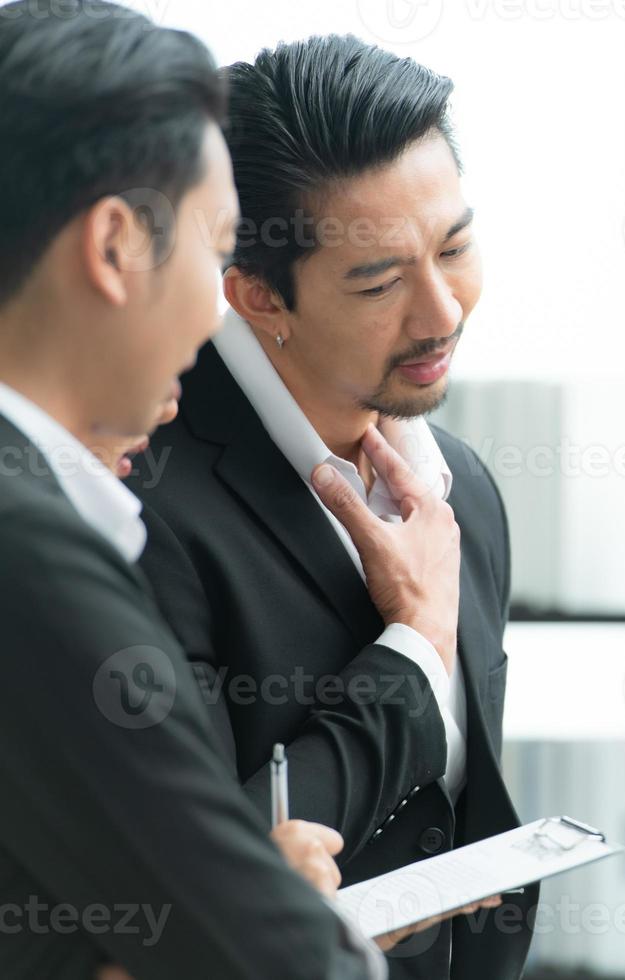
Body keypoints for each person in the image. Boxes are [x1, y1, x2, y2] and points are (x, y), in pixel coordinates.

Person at [128, 34, 532, 979]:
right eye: (381, 280)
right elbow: (195, 875)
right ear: (258, 295)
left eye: (456, 247)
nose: (442, 312)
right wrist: (415, 651)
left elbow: (461, 805)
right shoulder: (135, 502)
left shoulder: (464, 485)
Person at [0, 2, 388, 976]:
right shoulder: (34, 553)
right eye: (216, 254)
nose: (223, 303)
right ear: (117, 245)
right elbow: (288, 960)